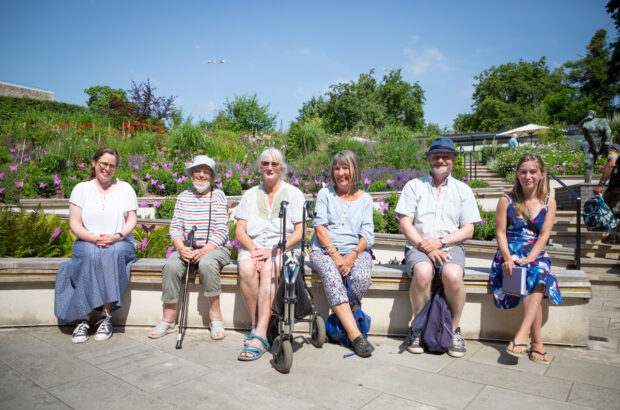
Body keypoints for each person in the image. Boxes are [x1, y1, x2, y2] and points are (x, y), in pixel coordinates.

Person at [396, 137, 481, 357]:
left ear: (453, 159)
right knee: (423, 272)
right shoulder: (414, 186)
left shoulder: (463, 190)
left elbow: (468, 230)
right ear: (429, 159)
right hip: (418, 246)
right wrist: (428, 248)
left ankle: (453, 329)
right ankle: (419, 327)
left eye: (445, 156)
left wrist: (441, 242)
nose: (440, 160)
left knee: (453, 275)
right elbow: (405, 223)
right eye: (435, 156)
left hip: (450, 246)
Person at [54, 147, 138, 343]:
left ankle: (105, 316)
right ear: (94, 163)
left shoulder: (125, 189)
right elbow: (74, 223)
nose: (107, 169)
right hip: (87, 240)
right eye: (104, 164)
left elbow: (131, 220)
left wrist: (117, 236)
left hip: (120, 241)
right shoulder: (81, 189)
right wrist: (94, 239)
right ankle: (83, 317)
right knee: (91, 255)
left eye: (112, 166)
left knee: (111, 254)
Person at [490, 154, 562, 365]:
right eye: (523, 171)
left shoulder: (550, 202)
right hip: (509, 251)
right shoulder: (507, 200)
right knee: (536, 275)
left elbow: (544, 236)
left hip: (535, 251)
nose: (527, 176)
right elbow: (500, 232)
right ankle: (537, 342)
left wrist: (530, 257)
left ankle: (522, 334)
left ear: (541, 175)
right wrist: (508, 257)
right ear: (517, 174)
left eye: (532, 172)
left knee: (537, 269)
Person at [148, 155, 231, 340]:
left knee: (207, 264)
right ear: (192, 174)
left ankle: (215, 317)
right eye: (197, 171)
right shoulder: (183, 197)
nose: (201, 175)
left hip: (215, 247)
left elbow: (222, 230)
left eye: (206, 171)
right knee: (170, 266)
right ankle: (168, 319)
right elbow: (176, 226)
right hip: (188, 247)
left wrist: (205, 250)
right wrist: (180, 247)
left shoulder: (218, 196)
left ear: (211, 175)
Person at [235, 148, 304, 361]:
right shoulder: (249, 195)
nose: (270, 167)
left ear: (282, 168)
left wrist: (272, 251)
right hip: (254, 248)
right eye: (265, 163)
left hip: (284, 249)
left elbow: (300, 233)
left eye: (274, 164)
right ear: (260, 167)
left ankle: (261, 334)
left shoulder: (293, 194)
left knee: (270, 267)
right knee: (246, 268)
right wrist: (256, 251)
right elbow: (239, 231)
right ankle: (256, 324)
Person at [309, 150, 375, 357]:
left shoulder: (365, 199)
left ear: (355, 170)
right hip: (324, 250)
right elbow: (319, 228)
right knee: (331, 276)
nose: (340, 173)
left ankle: (336, 323)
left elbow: (367, 234)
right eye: (337, 168)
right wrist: (336, 256)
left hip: (355, 250)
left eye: (345, 168)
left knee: (362, 277)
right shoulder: (325, 194)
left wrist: (353, 255)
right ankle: (356, 335)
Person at [593, 130, 620, 244]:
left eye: (618, 133)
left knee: (606, 207)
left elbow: (612, 164)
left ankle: (613, 234)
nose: (615, 135)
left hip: (617, 184)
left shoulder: (615, 147)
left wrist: (601, 184)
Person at [579, 110, 612, 183]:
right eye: (588, 113)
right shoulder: (586, 123)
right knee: (588, 162)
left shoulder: (602, 120)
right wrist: (584, 119)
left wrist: (607, 141)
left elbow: (608, 130)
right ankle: (587, 183)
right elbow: (578, 126)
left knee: (612, 162)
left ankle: (613, 181)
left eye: (591, 113)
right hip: (594, 146)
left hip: (605, 144)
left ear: (595, 114)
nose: (590, 115)